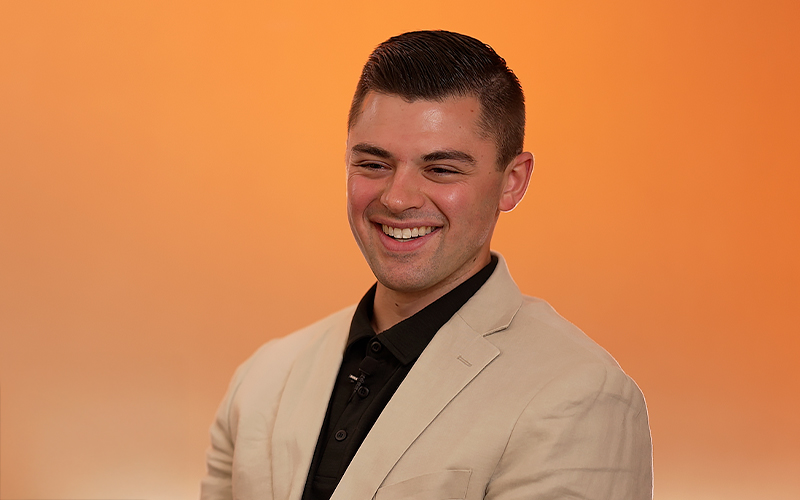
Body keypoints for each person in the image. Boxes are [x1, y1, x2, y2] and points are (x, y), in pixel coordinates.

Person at [200, 30, 653, 500]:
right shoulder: (264, 377)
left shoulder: (580, 397)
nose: (396, 199)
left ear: (512, 182)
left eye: (441, 170)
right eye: (374, 164)